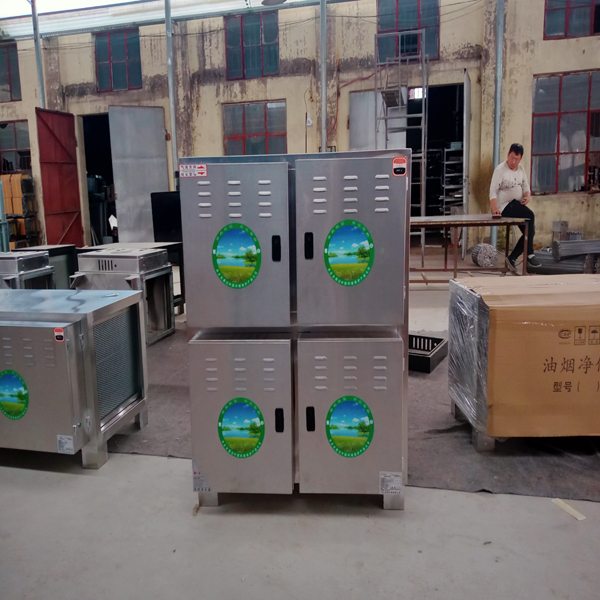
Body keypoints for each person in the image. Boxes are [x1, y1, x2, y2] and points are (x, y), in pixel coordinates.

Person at [490, 143, 541, 273]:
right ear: (508, 155)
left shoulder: (521, 170)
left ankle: (513, 258)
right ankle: (529, 254)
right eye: (512, 158)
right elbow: (493, 190)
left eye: (517, 159)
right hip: (504, 206)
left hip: (516, 204)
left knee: (529, 231)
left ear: (520, 158)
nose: (514, 161)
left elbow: (526, 187)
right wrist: (495, 208)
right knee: (530, 216)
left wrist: (527, 197)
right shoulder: (500, 170)